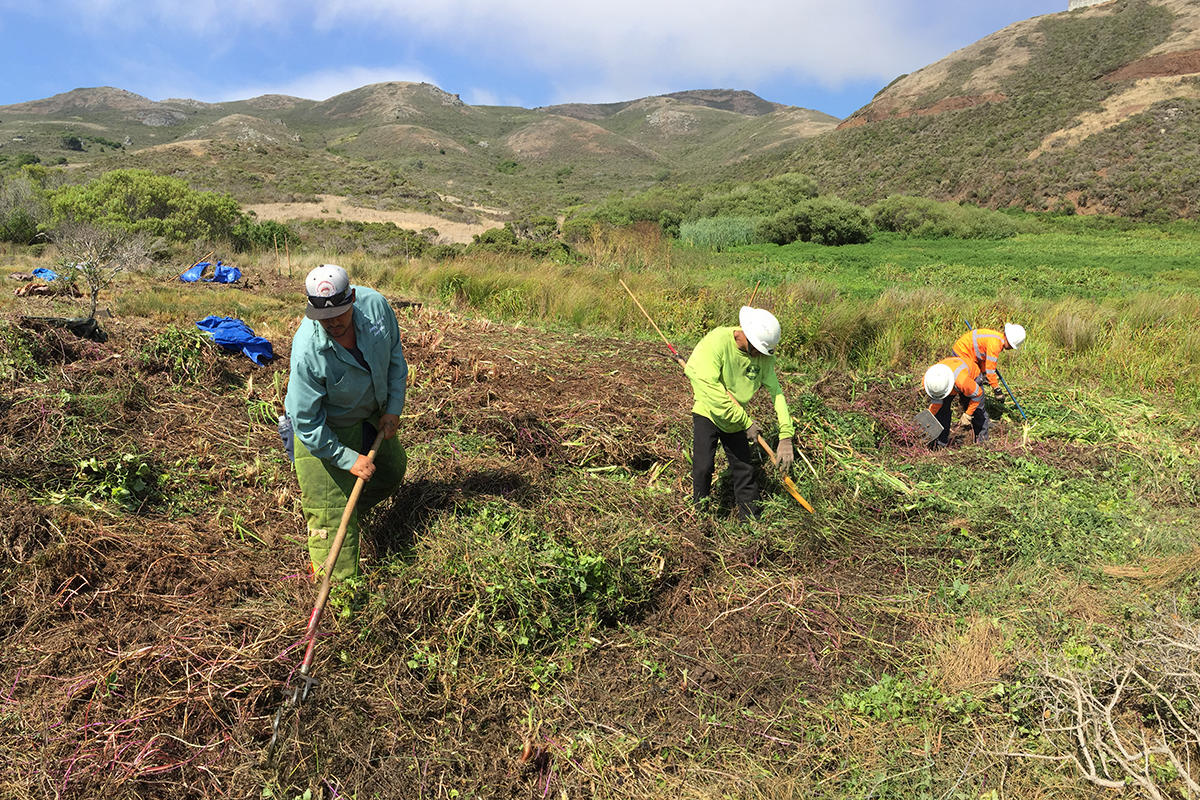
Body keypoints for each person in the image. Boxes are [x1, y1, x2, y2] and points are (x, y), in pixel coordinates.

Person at [284, 264, 408, 580]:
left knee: (390, 472)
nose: (333, 323)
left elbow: (395, 357)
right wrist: (348, 459)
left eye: (339, 313)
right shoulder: (308, 351)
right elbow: (307, 421)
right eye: (323, 317)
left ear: (351, 298)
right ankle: (341, 604)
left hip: (368, 413)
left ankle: (350, 519)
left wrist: (393, 408)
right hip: (323, 429)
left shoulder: (376, 308)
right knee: (330, 515)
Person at [684, 306, 795, 520]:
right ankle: (700, 516)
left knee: (745, 471)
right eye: (756, 350)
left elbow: (777, 393)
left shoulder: (763, 356)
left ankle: (750, 523)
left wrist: (786, 435)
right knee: (703, 466)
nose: (758, 356)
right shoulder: (717, 341)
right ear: (746, 335)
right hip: (709, 411)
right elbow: (712, 391)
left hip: (736, 419)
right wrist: (746, 422)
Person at [922, 356, 987, 449]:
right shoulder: (929, 380)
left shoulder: (963, 381)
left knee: (978, 411)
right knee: (942, 411)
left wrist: (968, 414)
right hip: (948, 380)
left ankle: (982, 443)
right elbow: (937, 401)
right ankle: (941, 443)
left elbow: (978, 395)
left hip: (971, 375)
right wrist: (930, 415)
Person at [952, 323, 1025, 400]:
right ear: (1009, 341)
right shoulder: (995, 345)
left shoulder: (997, 338)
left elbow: (983, 358)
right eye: (1011, 346)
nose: (1011, 348)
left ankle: (967, 402)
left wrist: (984, 373)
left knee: (973, 382)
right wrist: (997, 389)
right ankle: (973, 408)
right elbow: (990, 370)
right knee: (976, 386)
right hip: (962, 353)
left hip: (968, 353)